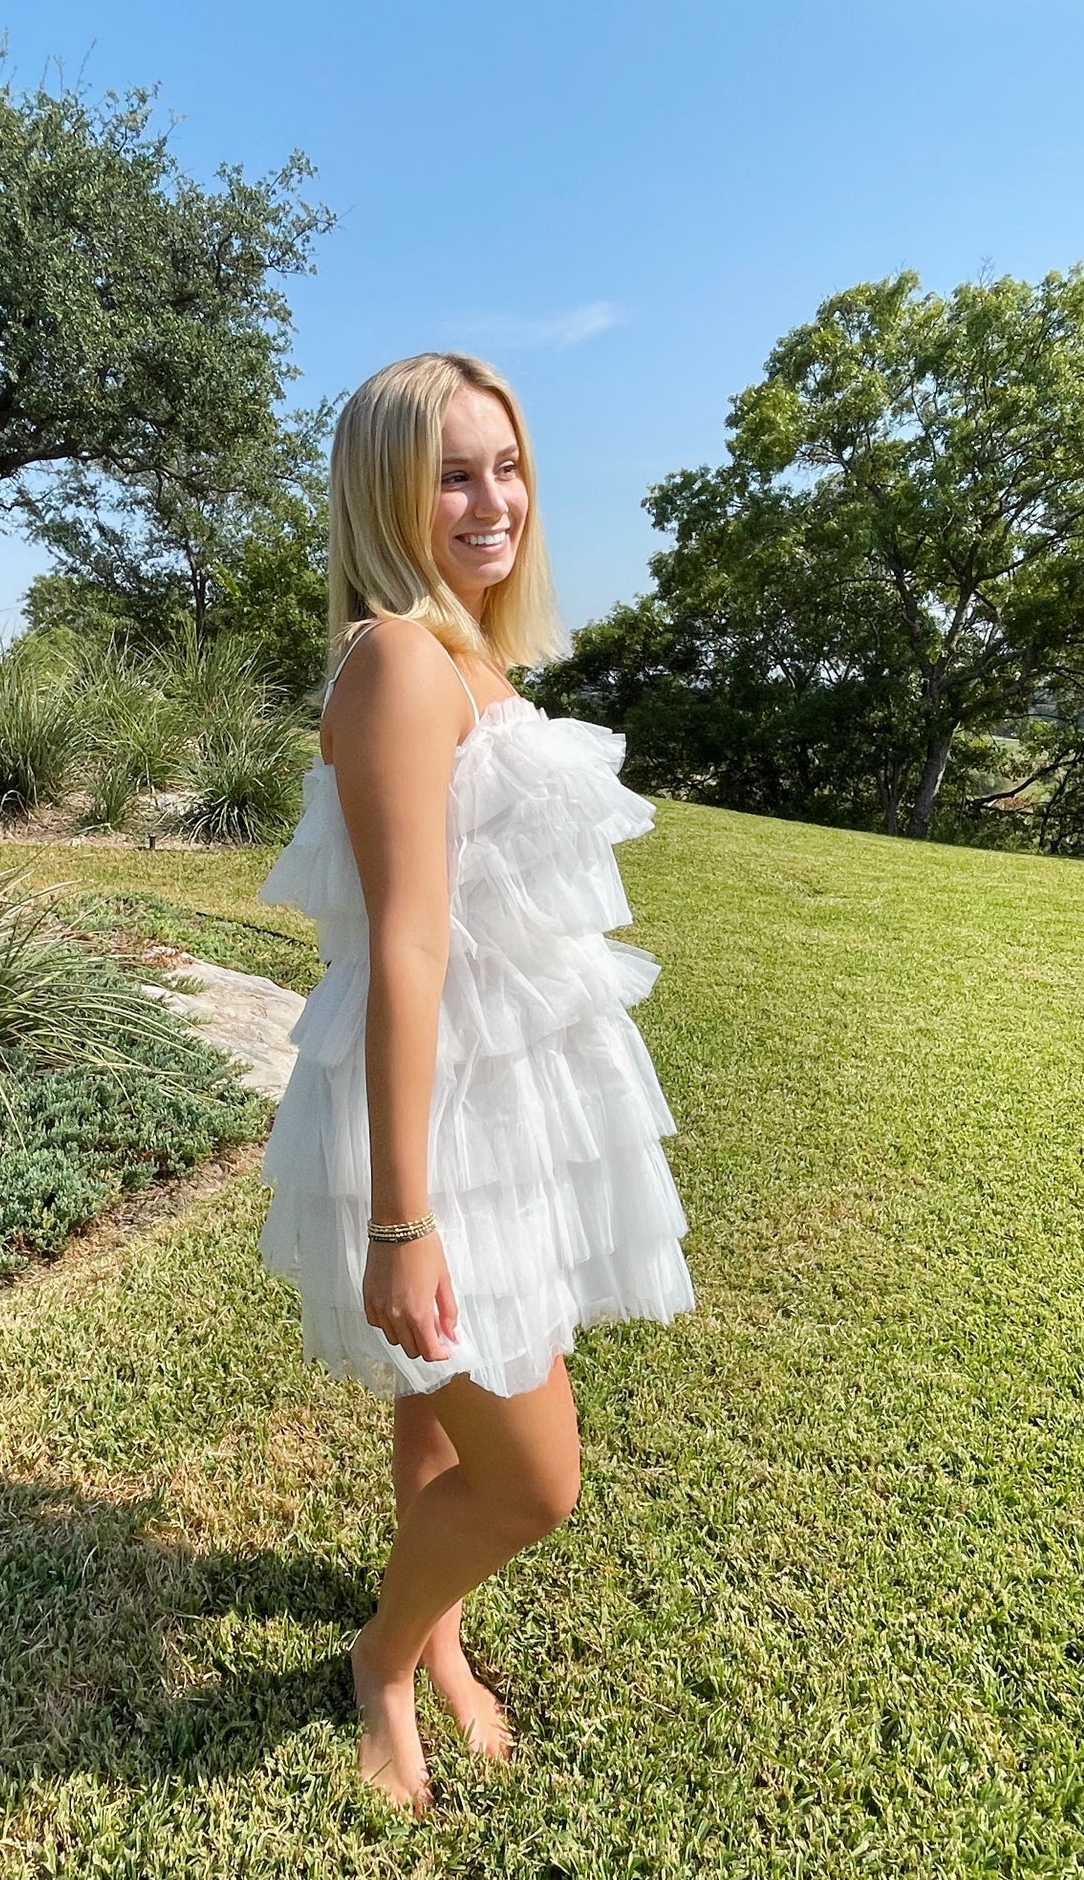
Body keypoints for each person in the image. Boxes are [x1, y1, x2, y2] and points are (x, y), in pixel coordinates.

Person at [255, 351, 695, 1814]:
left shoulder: (469, 655)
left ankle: (432, 1633)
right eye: (452, 473)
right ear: (386, 493)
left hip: (514, 1090)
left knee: (434, 1405)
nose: (492, 498)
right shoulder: (397, 658)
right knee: (534, 1483)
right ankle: (386, 1652)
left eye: (504, 465)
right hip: (437, 1116)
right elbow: (406, 946)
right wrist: (399, 1218)